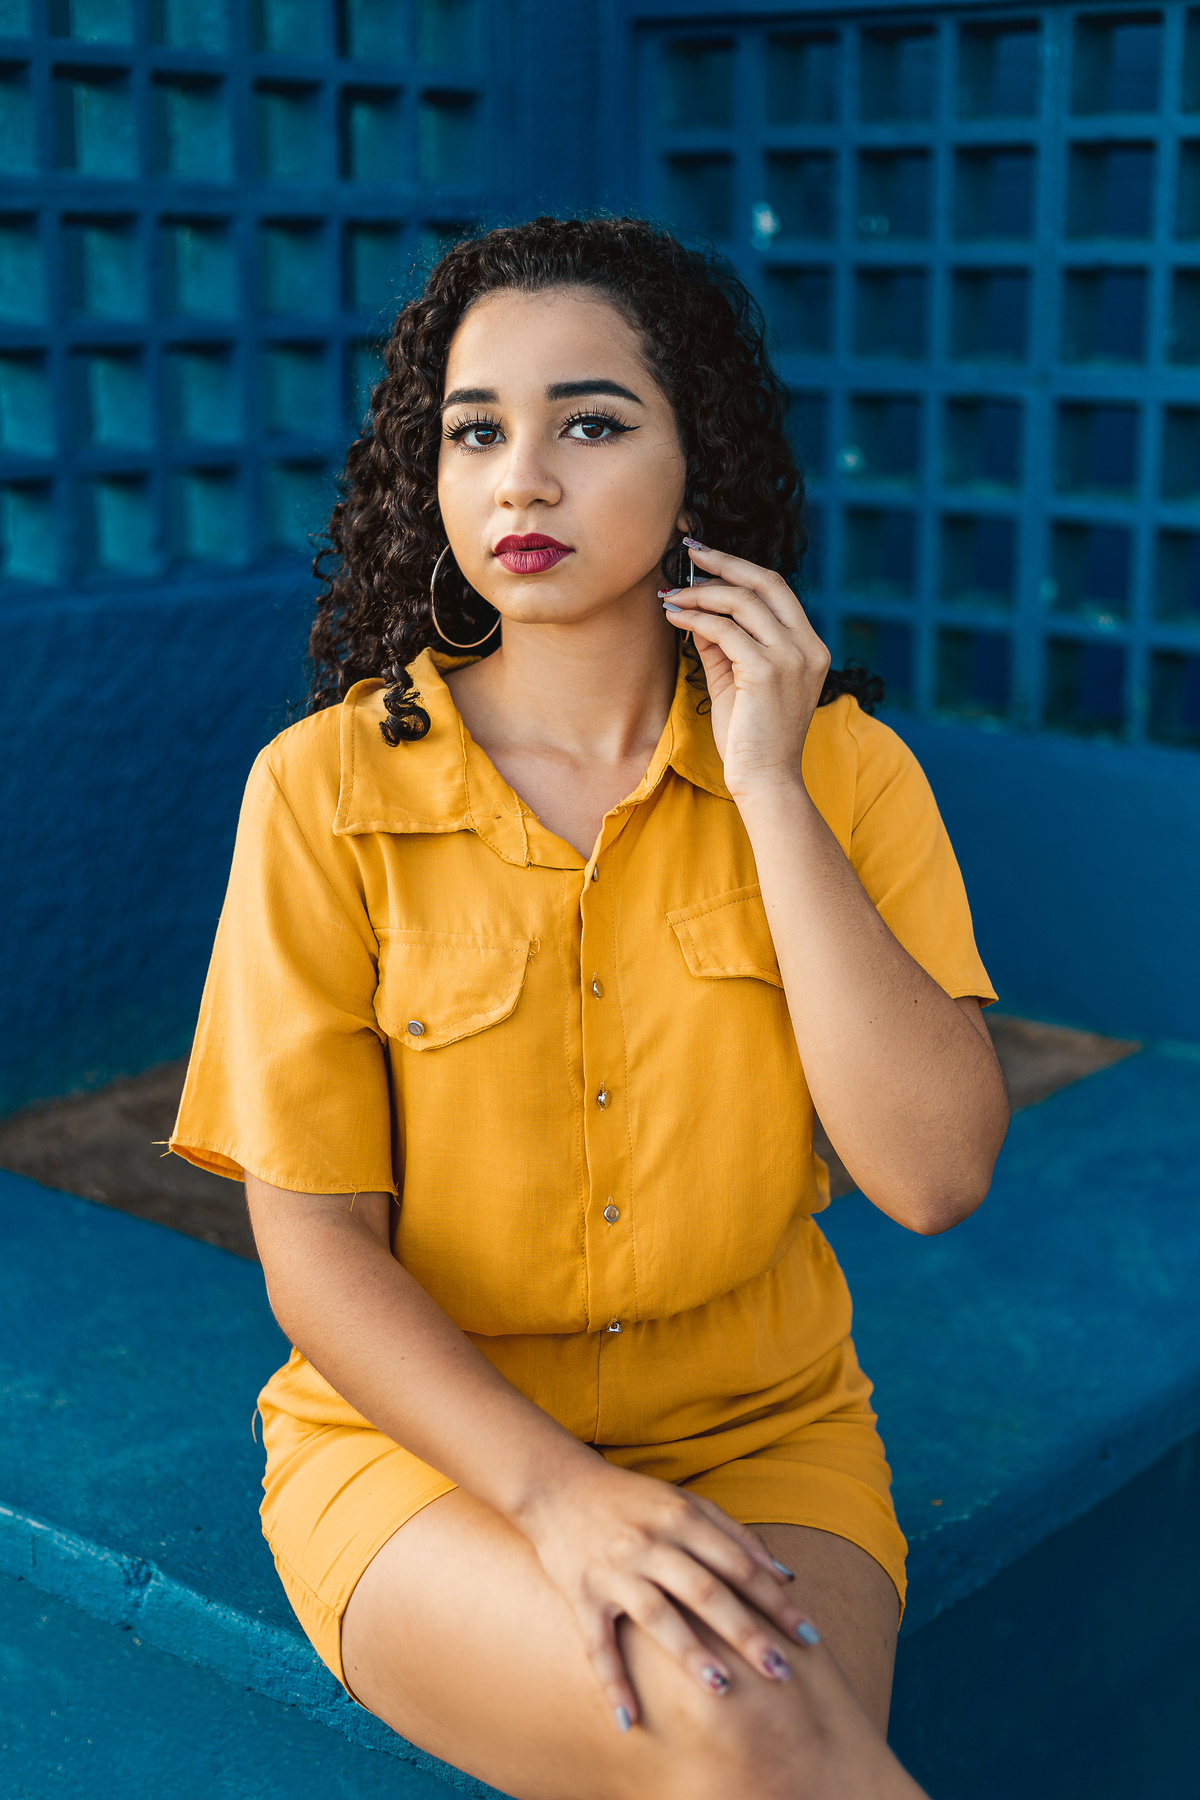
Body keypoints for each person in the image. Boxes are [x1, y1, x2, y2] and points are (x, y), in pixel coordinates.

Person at [171, 216, 1008, 1799]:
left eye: (593, 423)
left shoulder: (845, 773)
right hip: (429, 1456)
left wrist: (765, 783)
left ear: (701, 464)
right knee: (748, 1724)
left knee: (764, 1730)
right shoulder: (324, 791)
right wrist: (557, 1494)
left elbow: (934, 1176)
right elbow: (316, 1248)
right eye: (476, 430)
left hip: (771, 1436)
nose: (522, 480)